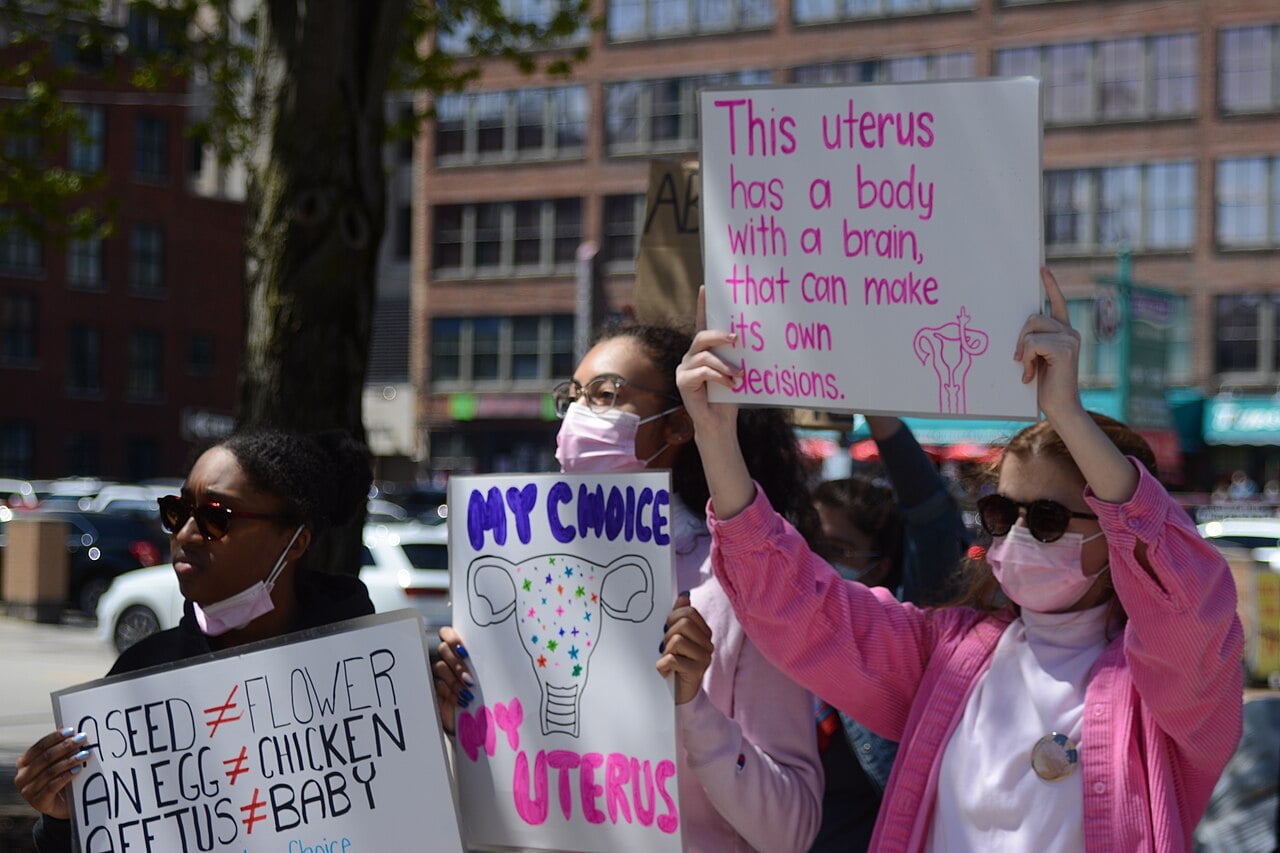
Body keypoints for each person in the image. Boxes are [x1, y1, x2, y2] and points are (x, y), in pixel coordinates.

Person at [676, 270, 1244, 851]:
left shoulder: (1174, 695)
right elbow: (794, 603)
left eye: (1047, 519)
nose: (1019, 533)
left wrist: (1067, 413)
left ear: (1117, 531)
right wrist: (717, 438)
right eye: (1003, 512)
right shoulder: (944, 658)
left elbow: (1185, 591)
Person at [434, 321, 825, 852]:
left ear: (680, 426)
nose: (578, 415)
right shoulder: (521, 561)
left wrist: (692, 707)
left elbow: (792, 831)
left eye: (605, 395)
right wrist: (466, 721)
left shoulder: (740, 583)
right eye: (571, 397)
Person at [14, 428, 376, 853]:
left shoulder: (370, 672)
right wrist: (62, 820)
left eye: (215, 516)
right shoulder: (137, 676)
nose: (184, 534)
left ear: (295, 541)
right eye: (177, 512)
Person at [809, 415, 968, 853]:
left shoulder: (900, 639)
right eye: (810, 546)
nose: (819, 562)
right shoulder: (776, 628)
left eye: (838, 550)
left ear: (879, 565)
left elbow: (933, 518)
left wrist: (881, 416)